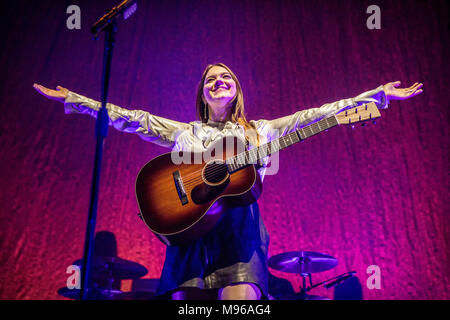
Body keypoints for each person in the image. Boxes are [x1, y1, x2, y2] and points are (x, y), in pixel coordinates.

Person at [33, 63, 423, 300]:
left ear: (236, 88)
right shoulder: (183, 131)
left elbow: (315, 114)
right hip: (189, 233)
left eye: (225, 77)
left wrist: (376, 96)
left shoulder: (260, 130)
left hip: (239, 237)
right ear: (202, 93)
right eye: (210, 79)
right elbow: (131, 118)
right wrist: (76, 99)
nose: (217, 81)